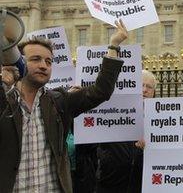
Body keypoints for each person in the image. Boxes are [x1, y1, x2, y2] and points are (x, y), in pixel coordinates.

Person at [0, 19, 127, 193]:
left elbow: (101, 91)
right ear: (19, 63)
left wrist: (114, 46)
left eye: (49, 61)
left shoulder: (59, 101)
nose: (44, 66)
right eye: (36, 59)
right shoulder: (4, 99)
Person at [96, 69, 157, 193]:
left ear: (153, 92)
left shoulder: (160, 118)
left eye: (149, 87)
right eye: (141, 85)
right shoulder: (114, 111)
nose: (144, 90)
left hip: (141, 184)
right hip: (111, 183)